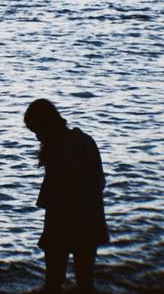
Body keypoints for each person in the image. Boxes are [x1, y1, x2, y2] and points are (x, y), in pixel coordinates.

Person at [24, 99, 109, 293]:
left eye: (36, 131)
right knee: (86, 284)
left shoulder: (57, 149)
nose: (37, 138)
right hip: (91, 218)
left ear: (45, 125)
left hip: (62, 221)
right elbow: (99, 182)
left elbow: (54, 195)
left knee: (53, 283)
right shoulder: (85, 140)